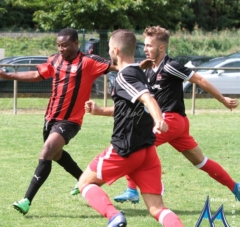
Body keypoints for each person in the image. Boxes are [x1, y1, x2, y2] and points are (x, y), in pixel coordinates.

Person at [112, 26, 240, 210]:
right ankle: (235, 186)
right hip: (177, 125)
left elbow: (200, 80)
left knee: (137, 144)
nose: (145, 49)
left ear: (161, 48)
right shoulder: (149, 68)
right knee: (201, 162)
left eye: (149, 46)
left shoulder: (171, 66)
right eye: (144, 45)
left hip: (171, 120)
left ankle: (133, 189)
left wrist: (222, 99)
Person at [0, 28, 118, 215]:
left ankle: (26, 200)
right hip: (50, 119)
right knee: (56, 155)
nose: (61, 49)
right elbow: (36, 75)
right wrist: (7, 75)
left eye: (64, 45)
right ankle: (84, 180)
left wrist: (144, 67)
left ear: (75, 44)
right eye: (58, 45)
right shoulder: (54, 60)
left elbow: (118, 66)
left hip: (70, 121)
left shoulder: (88, 62)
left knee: (47, 151)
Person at [79, 29, 184, 227]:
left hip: (125, 148)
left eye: (109, 49)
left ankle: (114, 216)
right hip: (147, 150)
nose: (109, 52)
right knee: (157, 208)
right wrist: (100, 111)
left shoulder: (125, 76)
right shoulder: (138, 71)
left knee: (85, 183)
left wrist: (159, 118)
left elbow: (147, 98)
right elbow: (127, 107)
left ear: (116, 50)